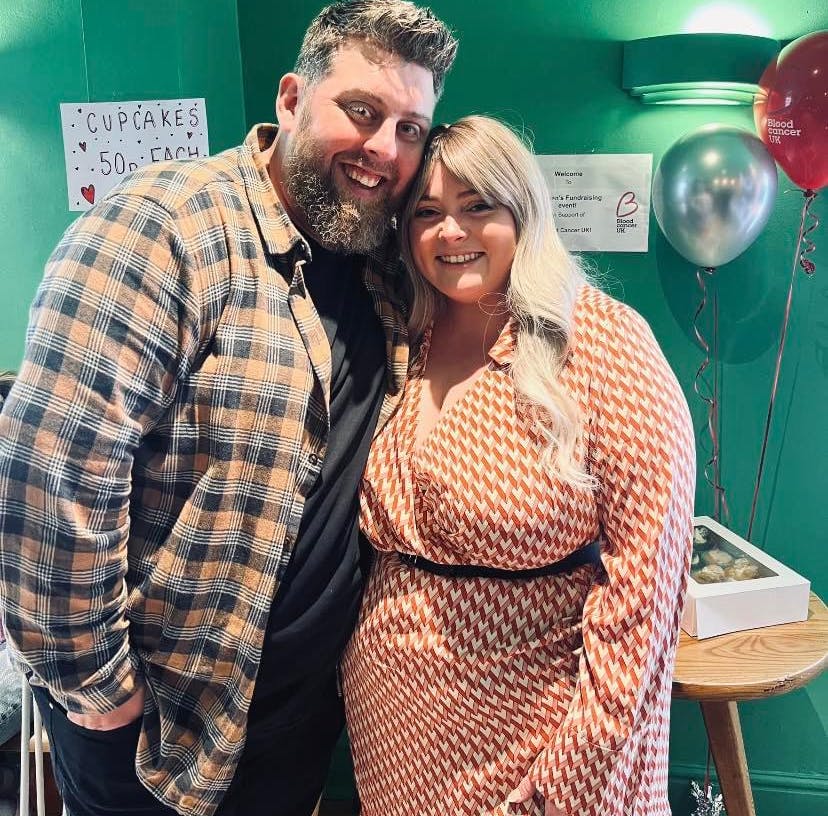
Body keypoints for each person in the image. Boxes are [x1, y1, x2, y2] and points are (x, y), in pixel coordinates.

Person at [0, 2, 456, 815]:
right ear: (290, 98)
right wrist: (101, 695)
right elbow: (48, 484)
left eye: (411, 128)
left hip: (297, 728)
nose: (385, 149)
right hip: (157, 743)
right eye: (362, 111)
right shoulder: (161, 228)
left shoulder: (379, 260)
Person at [342, 116, 696, 816]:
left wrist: (584, 754)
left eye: (479, 206)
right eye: (428, 213)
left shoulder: (601, 344)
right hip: (392, 718)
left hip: (538, 723)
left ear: (522, 212)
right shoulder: (401, 333)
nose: (452, 231)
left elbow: (646, 585)